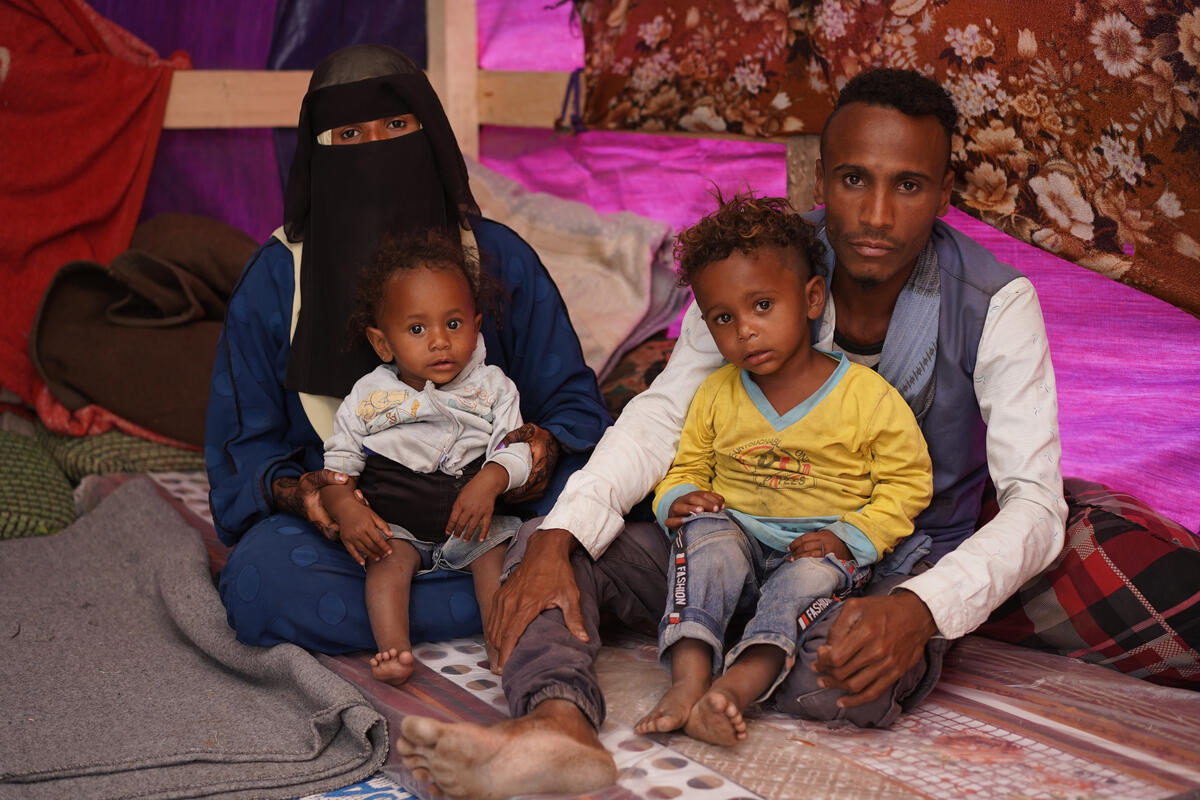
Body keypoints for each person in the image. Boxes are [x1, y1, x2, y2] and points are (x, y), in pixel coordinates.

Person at [397, 68, 1066, 800]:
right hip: (727, 530)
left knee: (854, 679)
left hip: (872, 564)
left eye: (908, 186)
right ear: (821, 181)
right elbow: (664, 412)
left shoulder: (997, 303)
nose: (876, 213)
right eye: (852, 179)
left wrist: (921, 610)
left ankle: (726, 649)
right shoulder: (757, 264)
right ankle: (557, 728)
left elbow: (1035, 503)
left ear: (944, 195)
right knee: (544, 549)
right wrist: (565, 535)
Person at [204, 44, 611, 655]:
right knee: (263, 582)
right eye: (348, 133)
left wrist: (536, 453)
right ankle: (509, 599)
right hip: (357, 535)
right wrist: (309, 494)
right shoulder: (274, 278)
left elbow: (576, 407)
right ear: (315, 154)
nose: (376, 147)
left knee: (611, 523)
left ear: (431, 136)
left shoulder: (498, 258)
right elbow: (244, 448)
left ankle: (455, 597)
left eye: (396, 126)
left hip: (495, 509)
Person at [633, 194, 933, 746]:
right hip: (737, 532)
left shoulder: (867, 398)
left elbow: (907, 483)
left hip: (817, 546)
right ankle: (689, 679)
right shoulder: (717, 392)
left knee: (808, 581)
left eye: (763, 306)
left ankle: (735, 691)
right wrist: (676, 496)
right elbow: (690, 464)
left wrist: (850, 537)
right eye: (724, 318)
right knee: (704, 539)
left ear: (812, 297)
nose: (744, 330)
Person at [321, 230, 532, 684]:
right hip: (397, 523)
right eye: (418, 329)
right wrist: (344, 509)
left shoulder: (494, 387)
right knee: (384, 565)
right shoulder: (370, 395)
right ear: (382, 343)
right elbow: (339, 466)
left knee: (496, 560)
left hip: (473, 519)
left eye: (453, 324)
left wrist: (491, 479)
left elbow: (516, 449)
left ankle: (501, 644)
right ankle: (394, 649)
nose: (439, 341)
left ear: (475, 326)